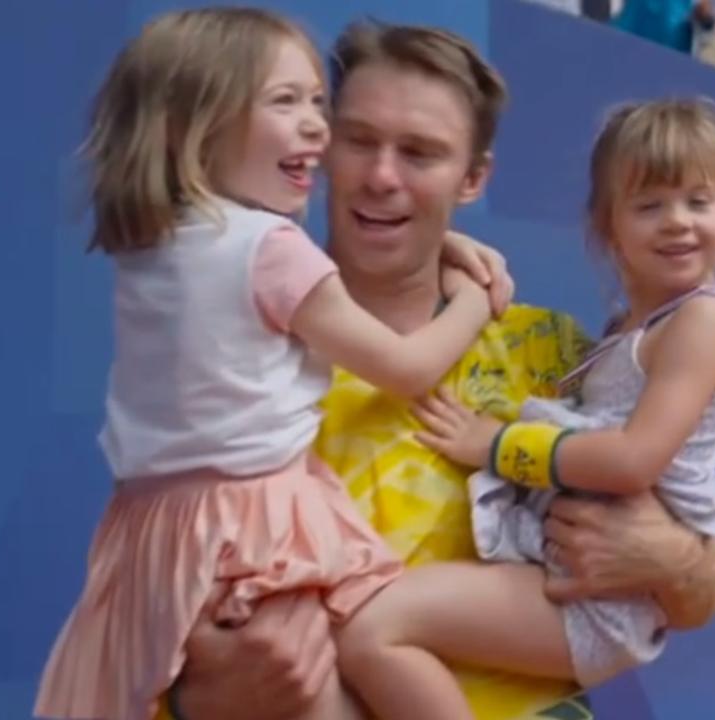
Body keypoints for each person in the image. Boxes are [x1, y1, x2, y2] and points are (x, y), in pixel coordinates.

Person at [164, 22, 715, 720]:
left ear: (472, 178)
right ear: (321, 149)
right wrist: (205, 695)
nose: (382, 176)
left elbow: (695, 567)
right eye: (360, 140)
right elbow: (163, 634)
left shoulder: (550, 353)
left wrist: (681, 563)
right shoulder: (234, 367)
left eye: (420, 153)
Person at [33, 9, 513, 719]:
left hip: (156, 534)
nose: (317, 131)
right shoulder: (272, 254)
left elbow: (659, 579)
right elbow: (408, 369)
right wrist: (476, 294)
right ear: (196, 125)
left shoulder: (152, 245)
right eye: (290, 104)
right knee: (358, 644)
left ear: (472, 178)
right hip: (258, 518)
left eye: (419, 153)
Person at [331, 97, 715, 719]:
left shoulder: (704, 321)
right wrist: (462, 270)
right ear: (608, 226)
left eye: (699, 201)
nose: (677, 222)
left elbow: (634, 462)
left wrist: (496, 445)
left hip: (596, 602)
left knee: (376, 627)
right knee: (376, 627)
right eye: (650, 205)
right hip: (570, 578)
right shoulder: (623, 331)